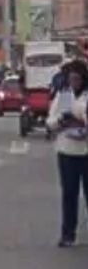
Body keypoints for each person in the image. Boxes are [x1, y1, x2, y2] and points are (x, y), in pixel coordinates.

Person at [52, 59, 88, 247]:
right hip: (67, 151)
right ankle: (68, 234)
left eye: (77, 79)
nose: (74, 82)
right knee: (69, 193)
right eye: (71, 79)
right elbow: (50, 122)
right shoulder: (63, 96)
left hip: (86, 150)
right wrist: (61, 120)